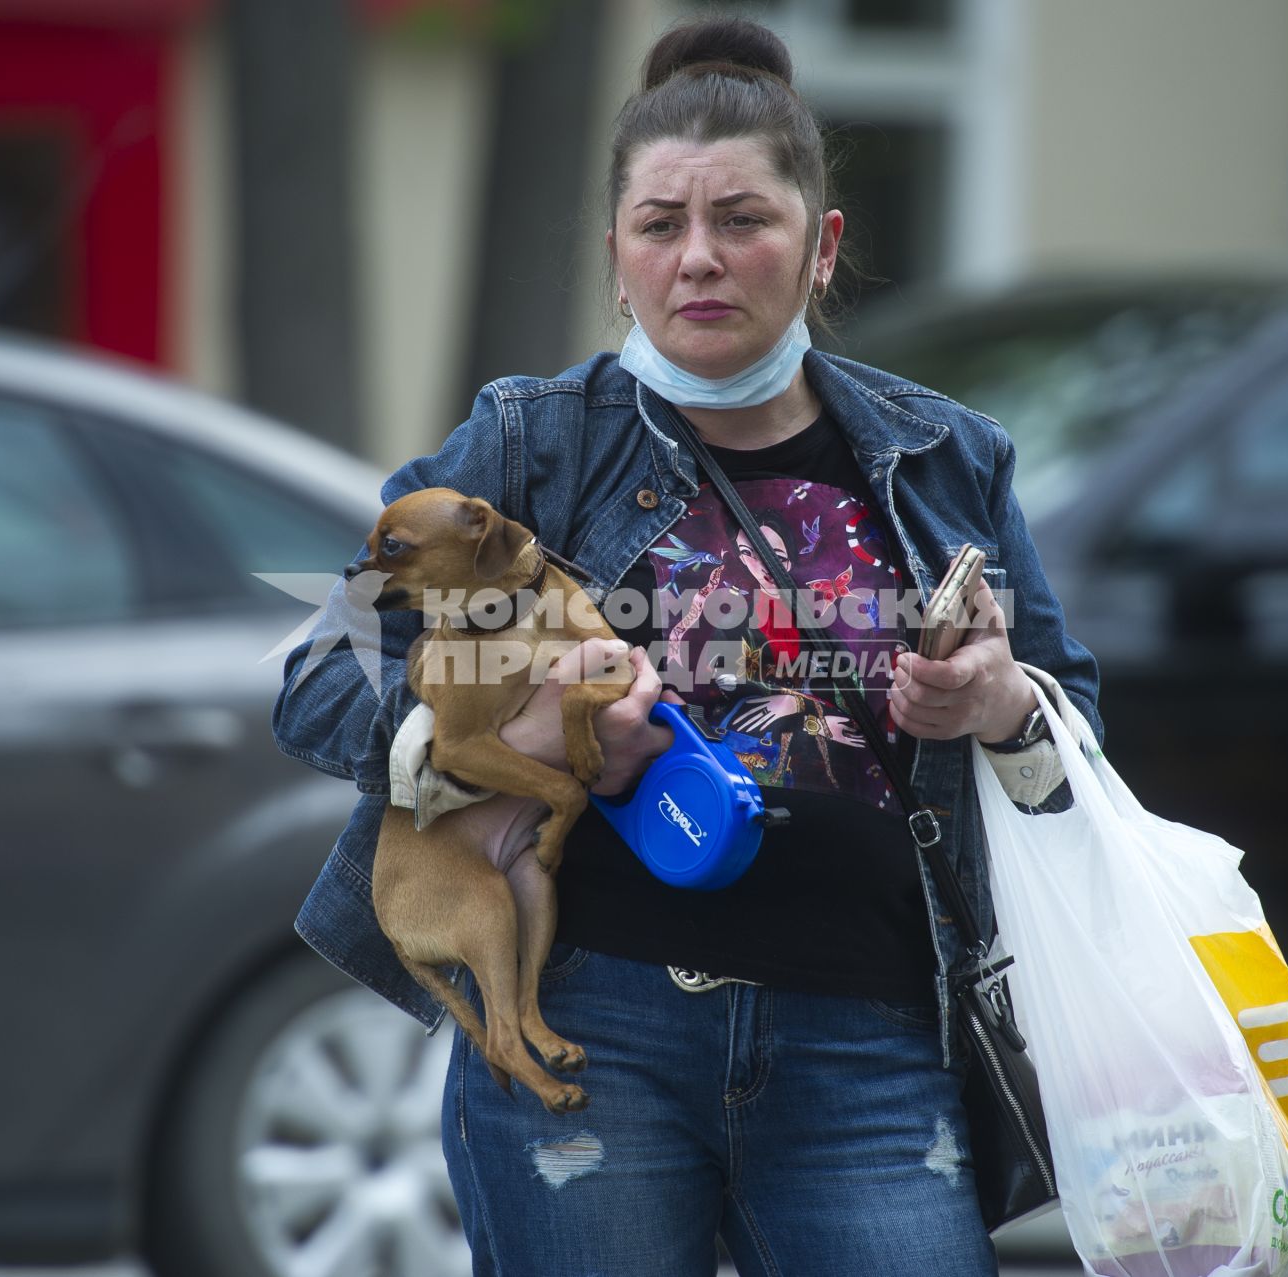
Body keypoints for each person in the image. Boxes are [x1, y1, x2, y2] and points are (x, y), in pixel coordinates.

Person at [274, 17, 1102, 1275]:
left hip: (873, 1043)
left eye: (743, 220)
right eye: (661, 225)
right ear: (617, 256)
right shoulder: (528, 445)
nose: (699, 259)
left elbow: (1076, 729)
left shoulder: (947, 457)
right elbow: (318, 673)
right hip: (591, 1032)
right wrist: (499, 740)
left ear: (821, 247)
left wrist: (1000, 705)